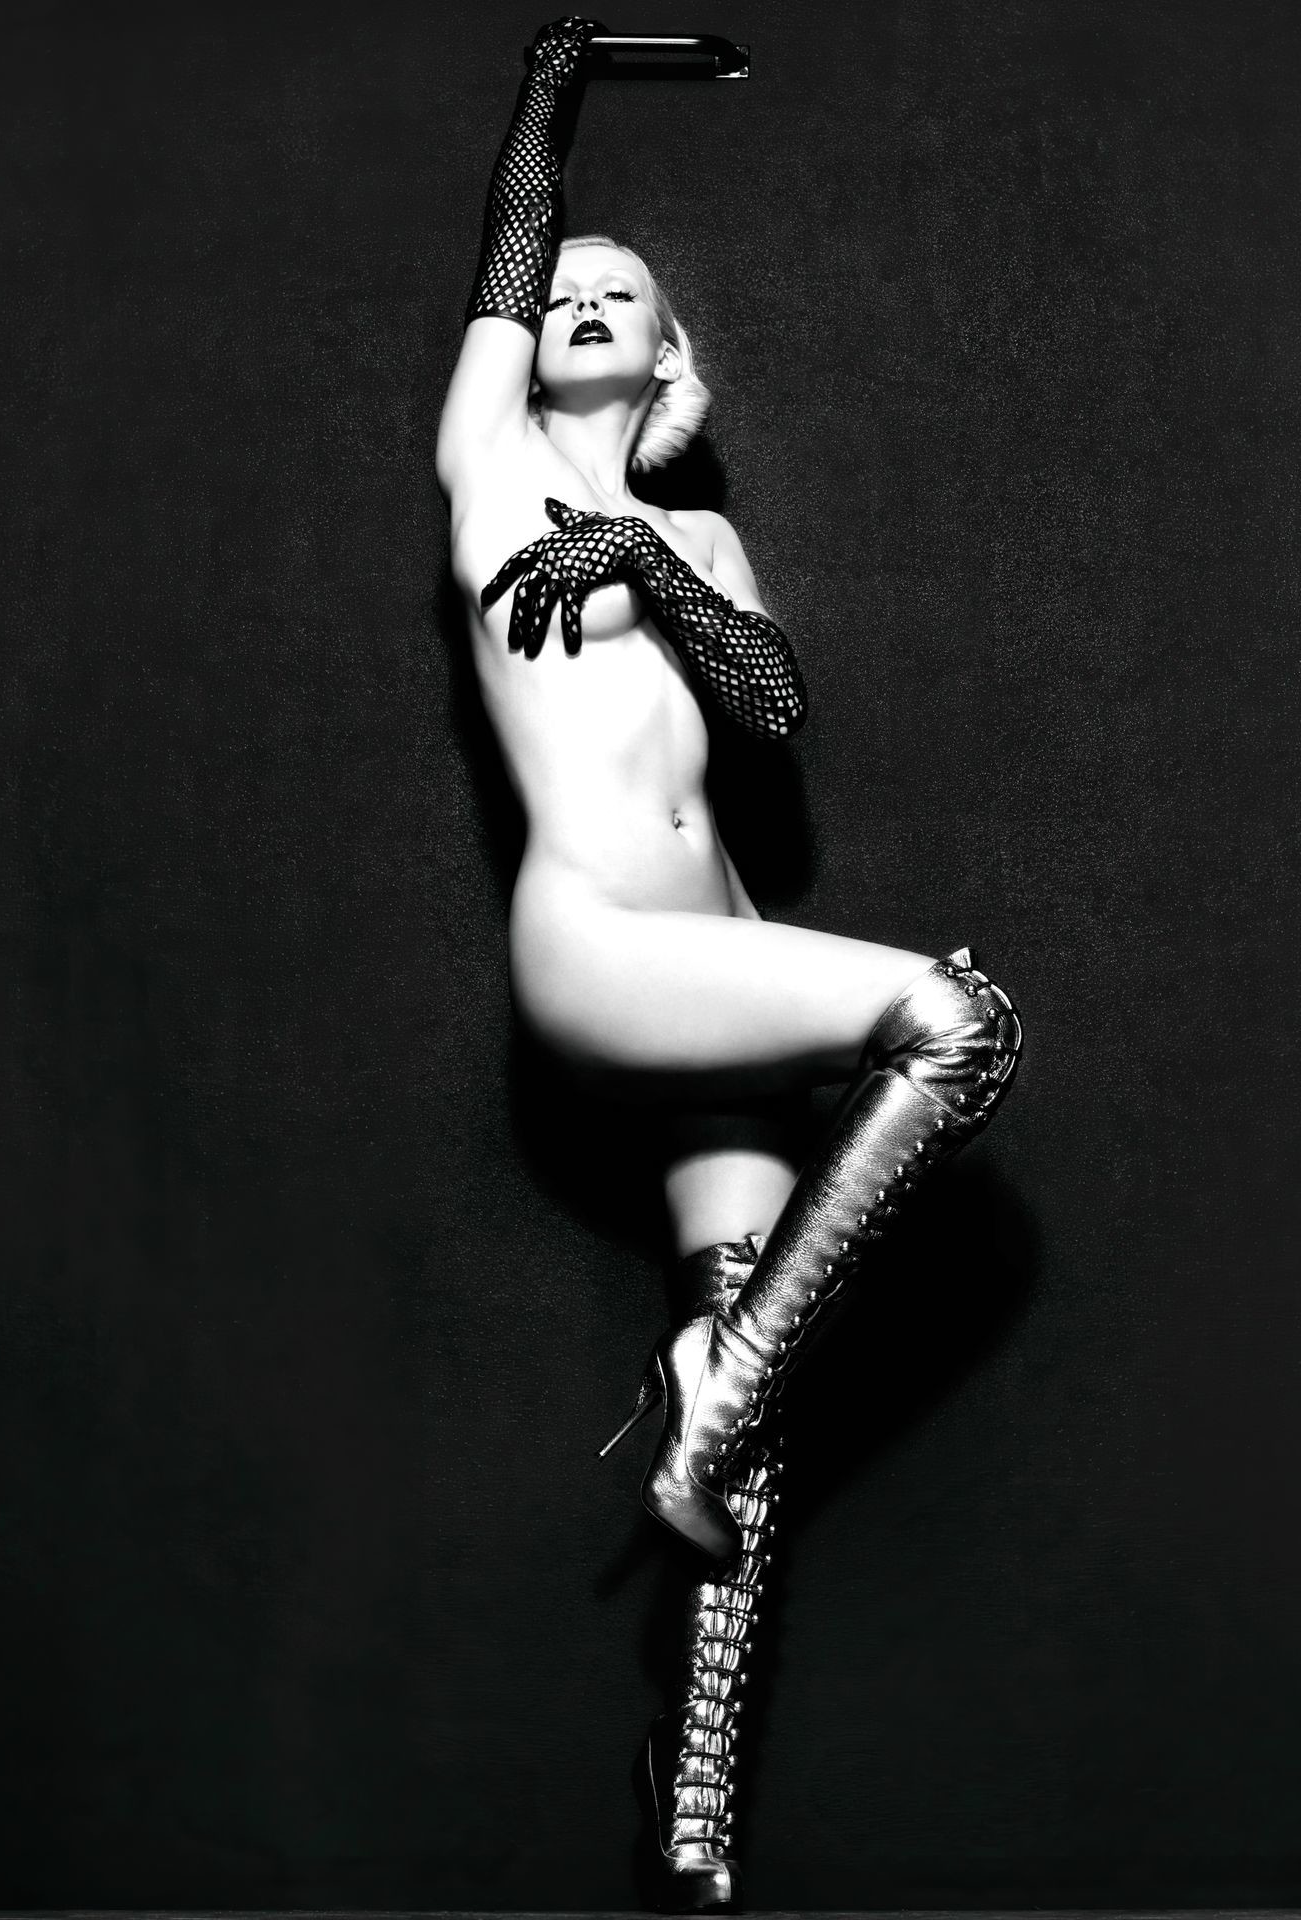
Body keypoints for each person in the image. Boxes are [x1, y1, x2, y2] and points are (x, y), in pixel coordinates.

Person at [435, 18, 1023, 1909]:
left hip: (725, 961)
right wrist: (558, 73)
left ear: (673, 352)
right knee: (955, 1023)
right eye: (564, 295)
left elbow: (767, 705)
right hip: (601, 947)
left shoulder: (691, 528)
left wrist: (655, 569)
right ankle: (724, 1384)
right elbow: (515, 240)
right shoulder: (486, 470)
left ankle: (687, 1830)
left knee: (746, 1442)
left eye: (625, 292)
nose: (584, 300)